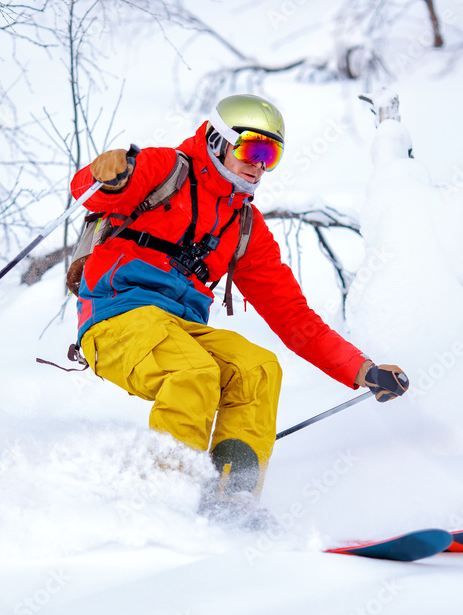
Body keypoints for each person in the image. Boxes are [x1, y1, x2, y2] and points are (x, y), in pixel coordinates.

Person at [69, 93, 408, 524]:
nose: (260, 164)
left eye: (271, 155)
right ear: (217, 140)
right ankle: (164, 498)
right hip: (116, 317)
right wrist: (109, 172)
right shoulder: (163, 170)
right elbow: (92, 192)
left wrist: (361, 370)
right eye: (253, 149)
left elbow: (294, 317)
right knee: (194, 373)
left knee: (257, 369)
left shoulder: (245, 226)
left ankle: (230, 502)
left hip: (178, 328)